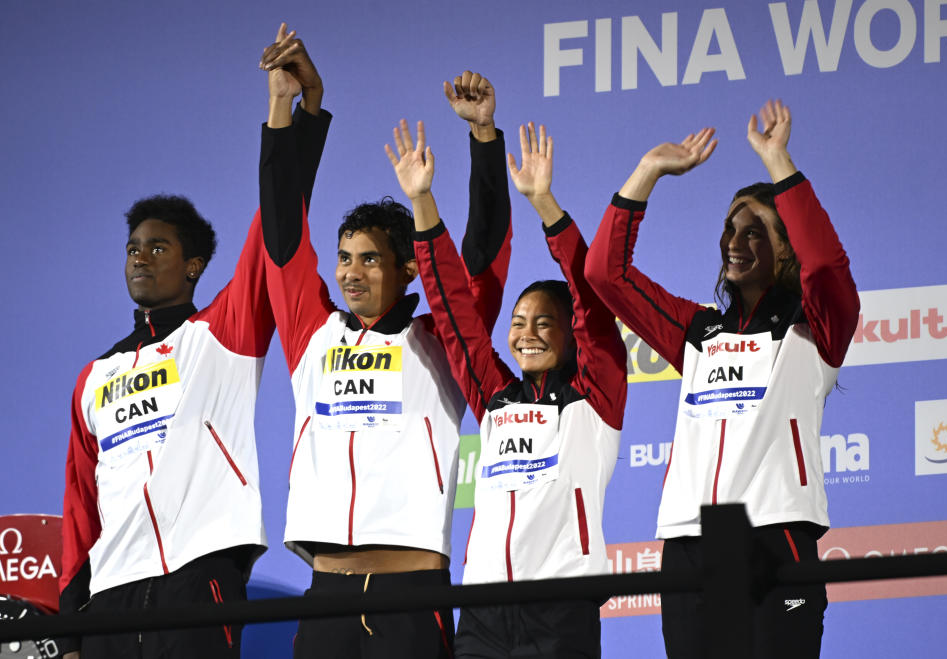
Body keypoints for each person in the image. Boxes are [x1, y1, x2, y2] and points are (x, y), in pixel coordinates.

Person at [58, 30, 329, 655]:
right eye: (133, 248)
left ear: (195, 266)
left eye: (159, 248)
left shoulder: (223, 333)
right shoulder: (93, 377)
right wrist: (71, 625)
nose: (141, 259)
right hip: (109, 598)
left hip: (198, 580)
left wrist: (296, 110)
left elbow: (278, 224)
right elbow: (78, 508)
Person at [259, 26, 511, 658]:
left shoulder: (441, 338)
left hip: (411, 591)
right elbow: (282, 231)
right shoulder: (311, 333)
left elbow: (480, 260)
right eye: (345, 258)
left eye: (370, 260)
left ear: (408, 270)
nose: (349, 272)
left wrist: (483, 138)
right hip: (324, 594)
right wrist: (283, 109)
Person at [584, 100, 860, 658]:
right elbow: (603, 274)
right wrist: (648, 171)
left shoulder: (814, 329)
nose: (735, 240)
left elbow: (826, 265)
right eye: (730, 227)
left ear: (786, 249)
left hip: (776, 536)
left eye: (755, 230)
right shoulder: (697, 330)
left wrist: (780, 163)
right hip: (689, 540)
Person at [388, 118, 626, 658]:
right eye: (519, 322)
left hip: (563, 605)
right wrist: (423, 203)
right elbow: (453, 310)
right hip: (483, 609)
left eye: (545, 322)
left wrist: (545, 205)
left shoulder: (597, 399)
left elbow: (591, 300)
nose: (527, 333)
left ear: (572, 335)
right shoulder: (494, 397)